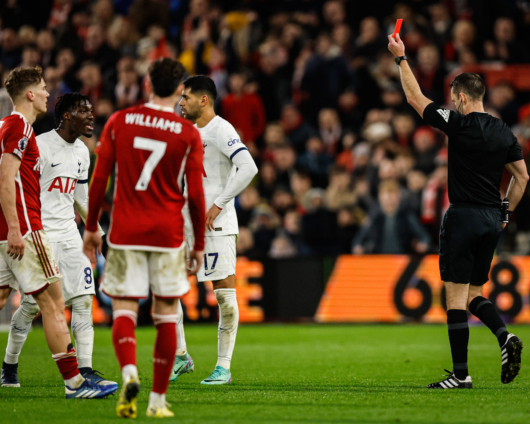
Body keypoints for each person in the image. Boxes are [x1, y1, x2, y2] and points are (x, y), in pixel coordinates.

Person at [388, 33, 529, 389]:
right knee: (473, 295)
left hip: (463, 216)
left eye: (454, 98)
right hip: (490, 220)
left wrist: (401, 58)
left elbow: (414, 98)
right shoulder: (504, 132)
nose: (454, 102)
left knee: (454, 297)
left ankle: (461, 374)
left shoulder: (458, 123)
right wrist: (505, 214)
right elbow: (523, 177)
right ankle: (504, 336)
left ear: (462, 98)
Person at [83, 58, 206, 418]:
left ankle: (129, 373)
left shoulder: (120, 121)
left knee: (124, 306)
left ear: (147, 83)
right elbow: (196, 196)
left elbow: (99, 178)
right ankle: (157, 401)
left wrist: (91, 226)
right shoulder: (187, 133)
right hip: (167, 233)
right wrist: (198, 243)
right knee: (166, 312)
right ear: (180, 90)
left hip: (125, 230)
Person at [0, 67, 113, 399]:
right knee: (49, 303)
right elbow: (8, 180)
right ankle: (73, 382)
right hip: (30, 229)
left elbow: (81, 196)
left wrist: (95, 231)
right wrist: (18, 228)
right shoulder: (24, 131)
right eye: (43, 88)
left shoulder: (79, 151)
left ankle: (83, 371)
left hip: (46, 232)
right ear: (30, 94)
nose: (48, 92)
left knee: (54, 300)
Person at [175, 75, 258, 385]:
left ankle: (223, 367)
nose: (180, 102)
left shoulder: (221, 129)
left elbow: (248, 166)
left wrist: (220, 203)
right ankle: (181, 356)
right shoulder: (185, 131)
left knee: (223, 296)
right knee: (166, 287)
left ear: (204, 100)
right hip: (184, 223)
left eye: (186, 97)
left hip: (216, 225)